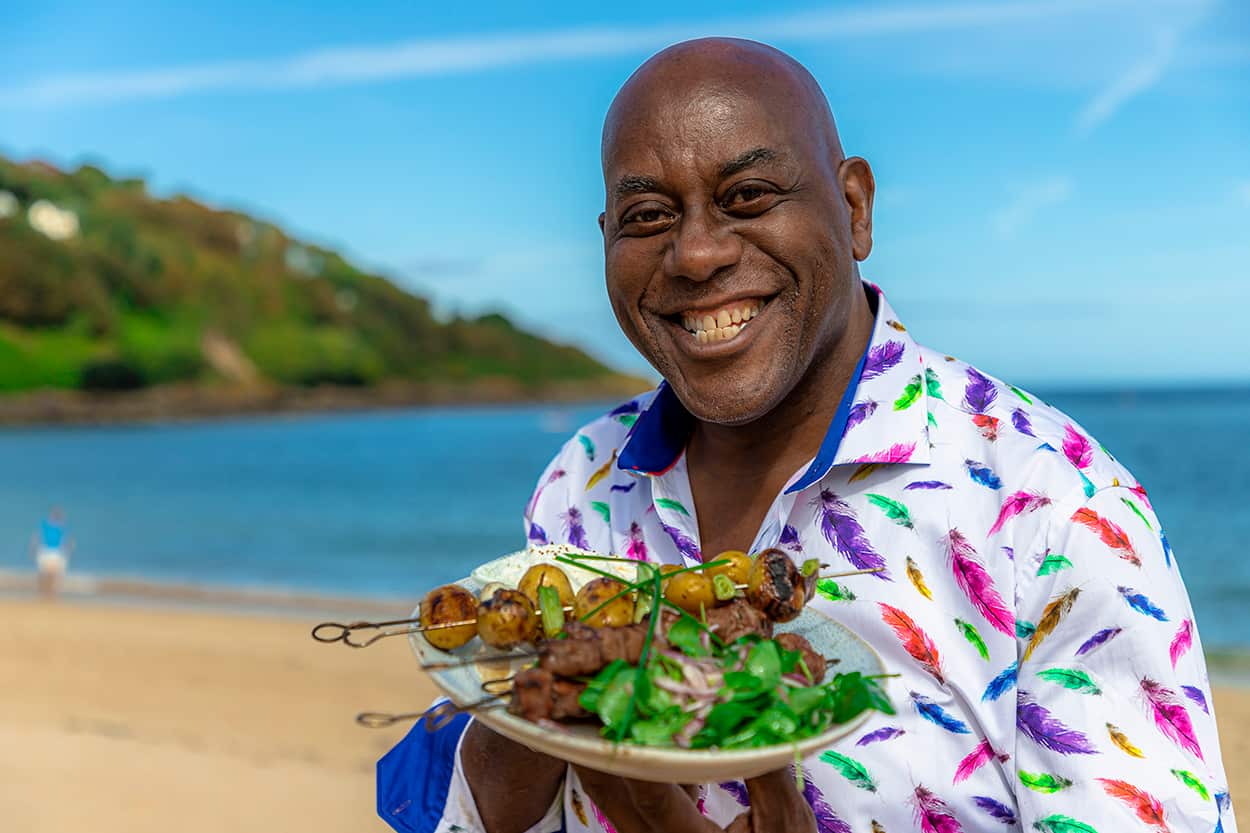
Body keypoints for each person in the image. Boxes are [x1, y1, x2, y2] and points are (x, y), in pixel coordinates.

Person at [377, 39, 1236, 833]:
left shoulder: (1053, 508)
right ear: (607, 242)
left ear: (854, 208)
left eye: (748, 196)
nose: (698, 255)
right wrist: (523, 719)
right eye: (647, 215)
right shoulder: (584, 481)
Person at [32, 506, 72, 600]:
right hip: (52, 552)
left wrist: (34, 548)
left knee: (47, 574)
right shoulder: (61, 527)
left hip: (48, 552)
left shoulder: (47, 526)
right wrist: (67, 551)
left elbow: (36, 538)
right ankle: (49, 594)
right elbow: (67, 542)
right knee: (52, 575)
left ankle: (46, 594)